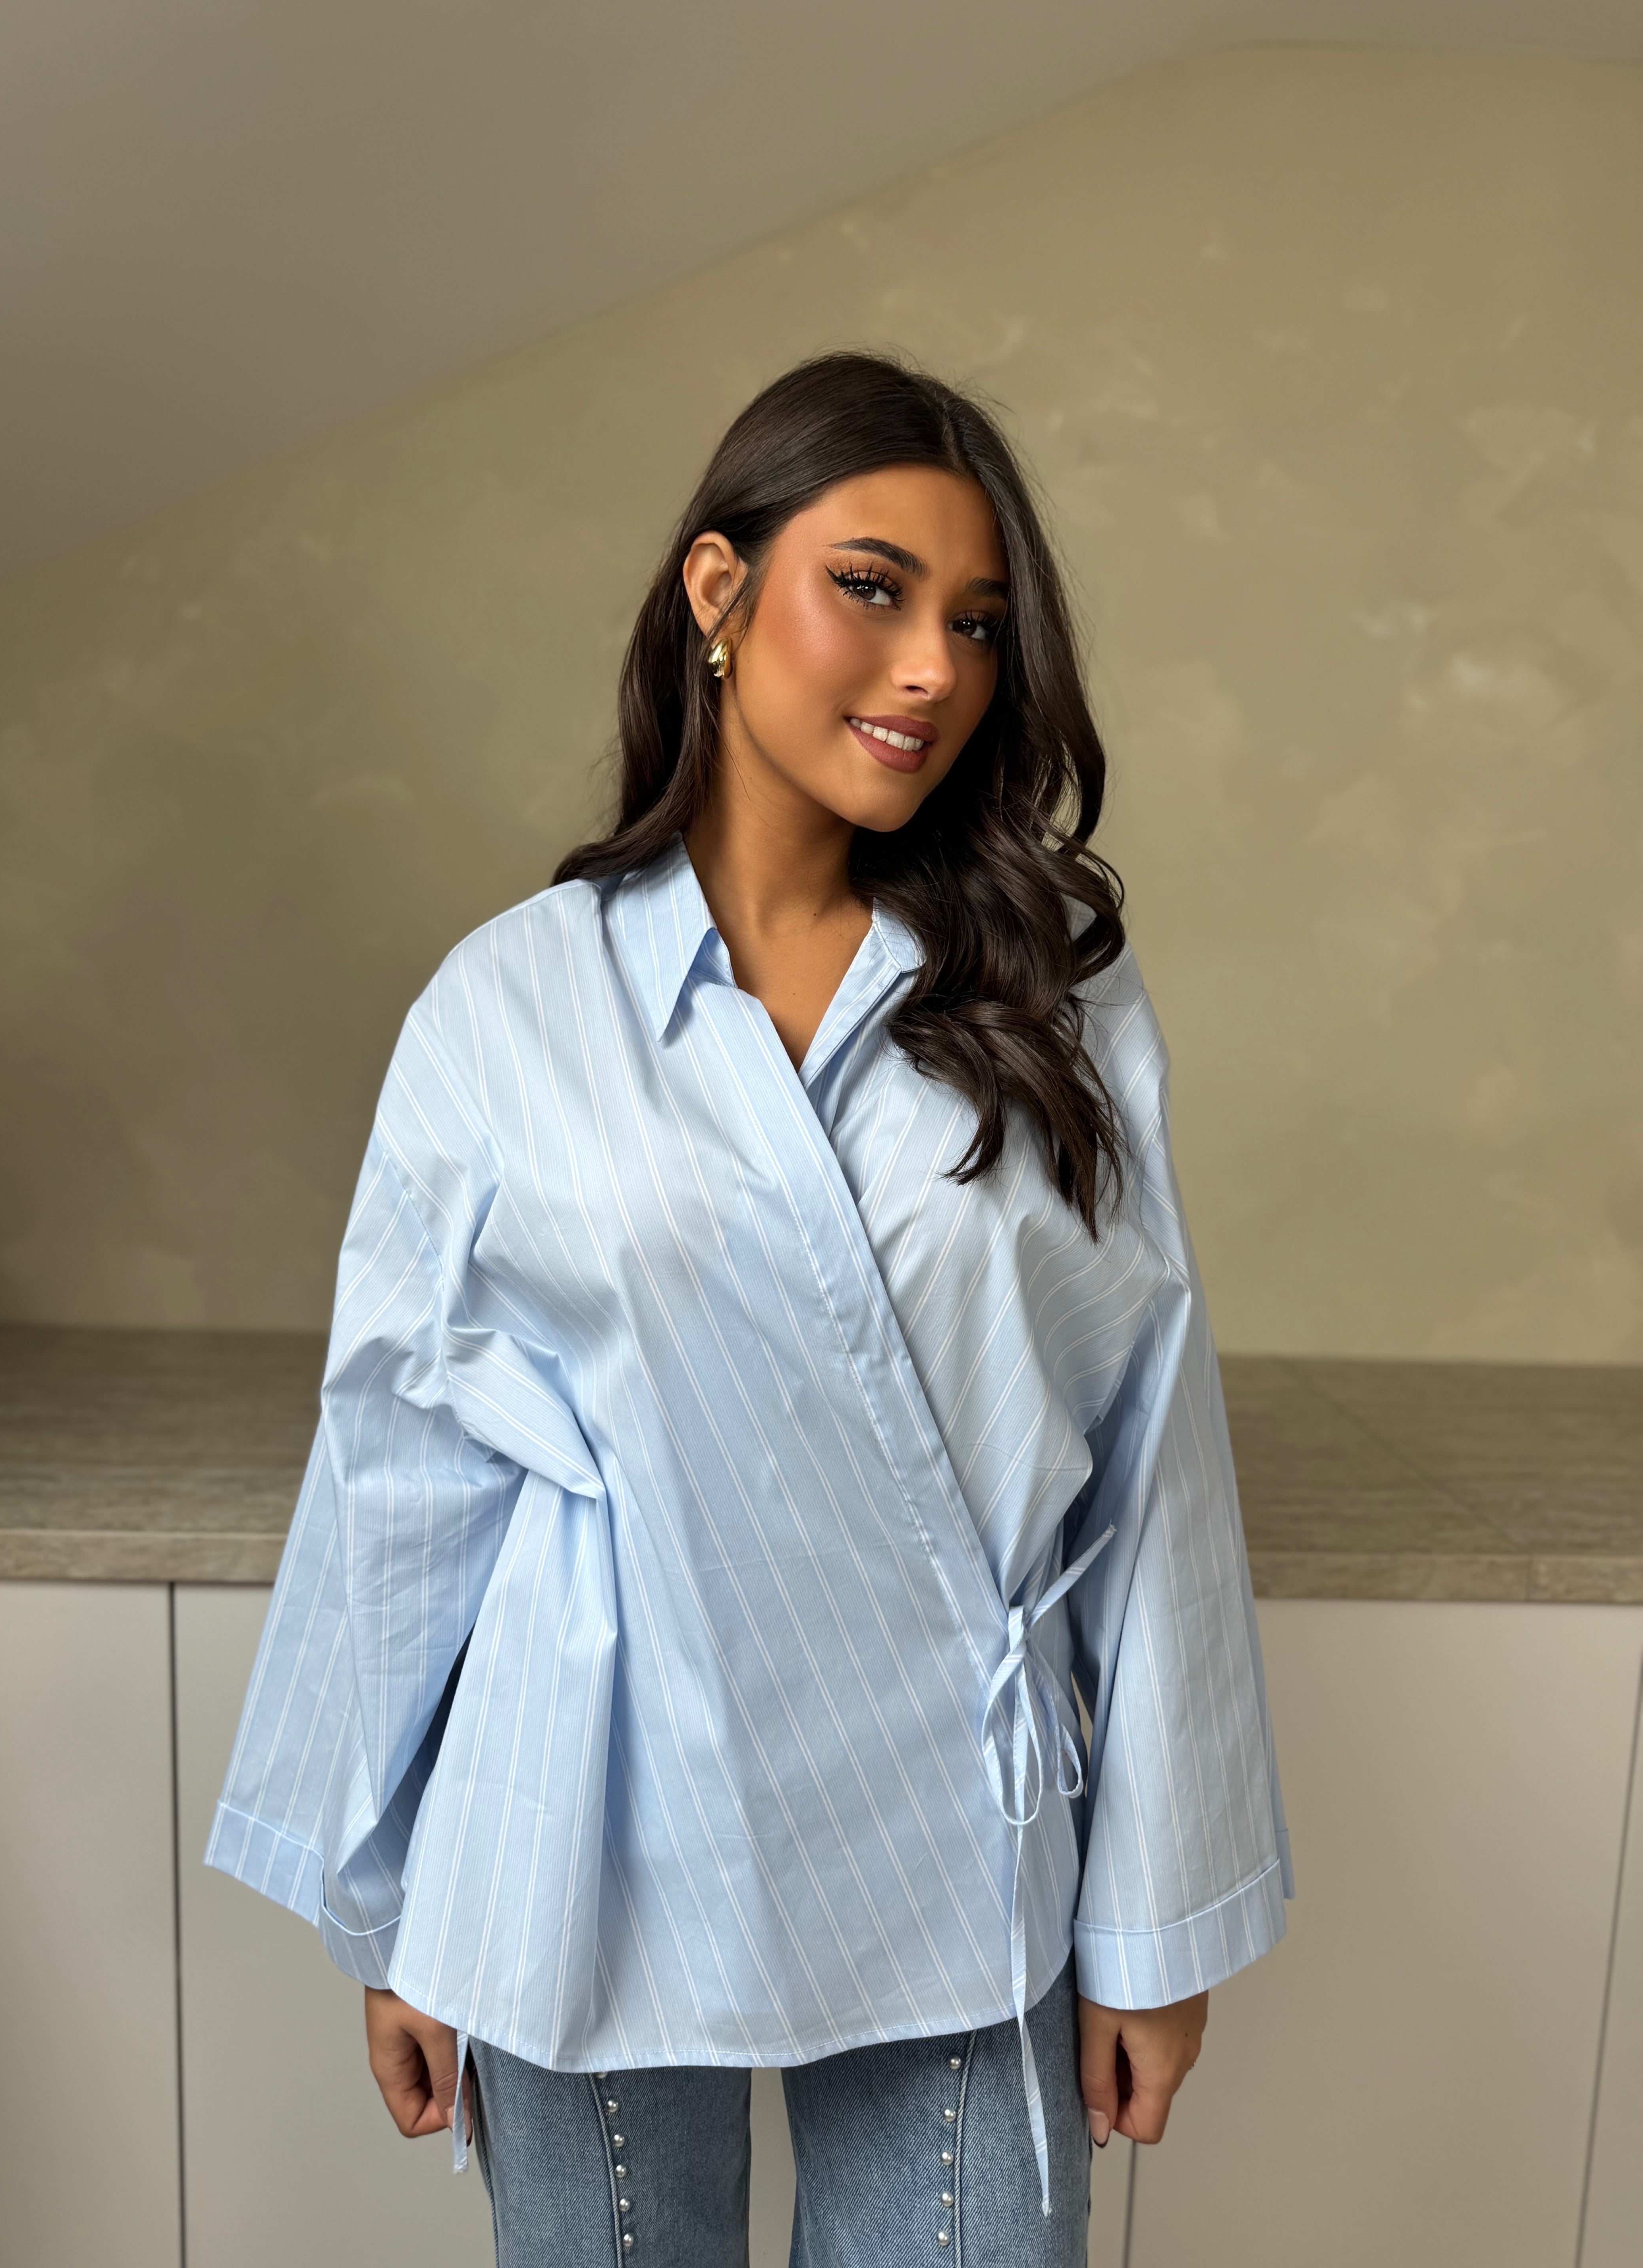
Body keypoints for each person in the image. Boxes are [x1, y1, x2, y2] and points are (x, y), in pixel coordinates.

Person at [208, 350, 1292, 2266]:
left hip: (953, 1842)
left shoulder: (1053, 1001)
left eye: (977, 622)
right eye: (870, 587)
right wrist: (393, 1905)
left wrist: (1153, 1924)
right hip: (583, 1814)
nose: (932, 668)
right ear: (719, 590)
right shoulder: (510, 1007)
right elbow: (404, 1467)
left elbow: (1151, 1461)